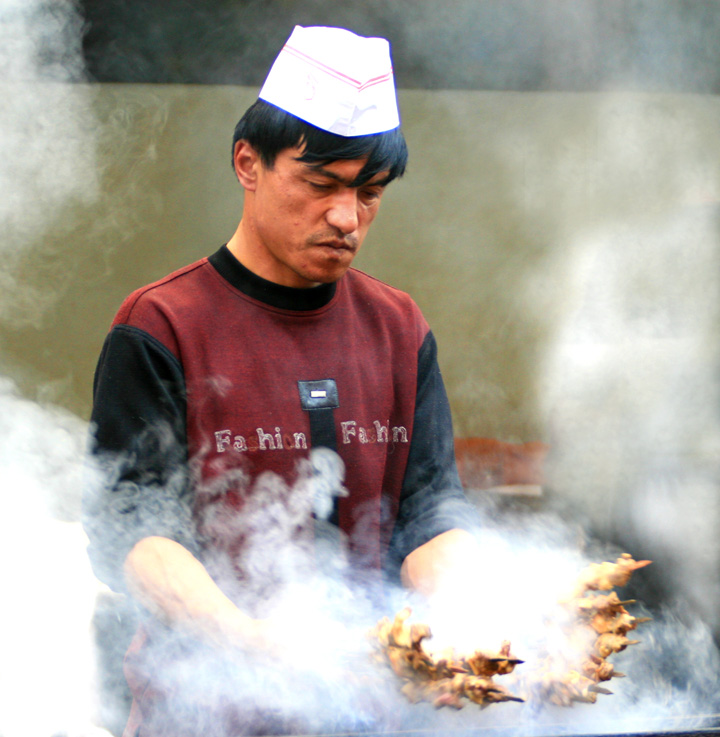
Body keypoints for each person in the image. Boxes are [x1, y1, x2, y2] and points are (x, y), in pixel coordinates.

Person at [83, 25, 478, 737]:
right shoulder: (162, 324)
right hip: (205, 714)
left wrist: (463, 618)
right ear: (248, 163)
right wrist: (263, 648)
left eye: (370, 192)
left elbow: (430, 506)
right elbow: (134, 527)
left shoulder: (399, 326)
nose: (345, 217)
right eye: (321, 184)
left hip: (374, 710)